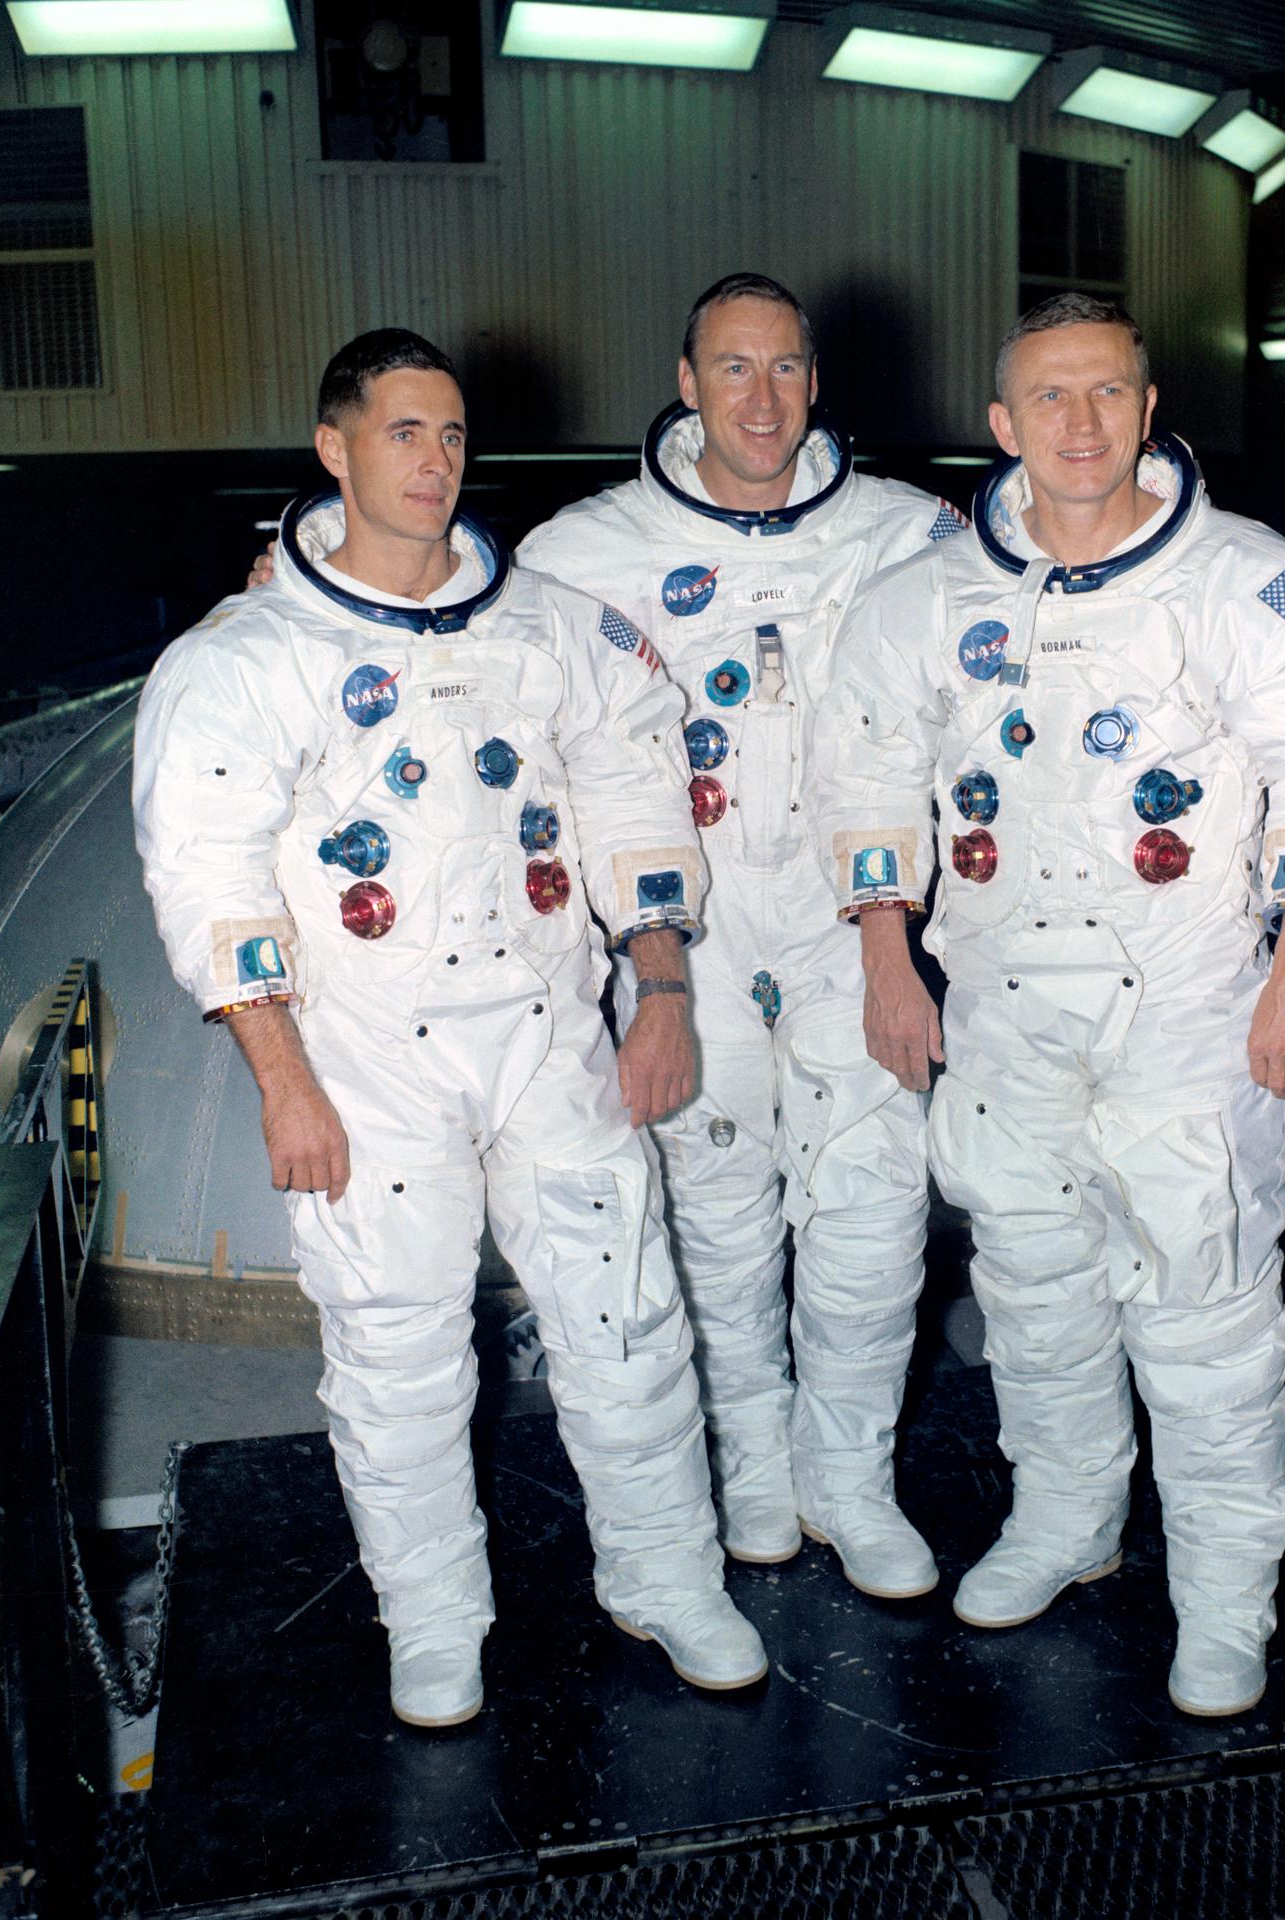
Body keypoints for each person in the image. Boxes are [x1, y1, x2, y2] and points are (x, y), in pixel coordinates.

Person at [133, 328, 765, 1730]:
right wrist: (283, 1083)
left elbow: (634, 797)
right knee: (400, 1350)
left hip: (549, 1033)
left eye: (453, 435)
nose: (434, 462)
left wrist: (659, 987)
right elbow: (210, 878)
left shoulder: (547, 629)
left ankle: (667, 1578)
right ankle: (435, 1623)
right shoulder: (250, 660)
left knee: (628, 1321)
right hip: (369, 1056)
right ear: (335, 449)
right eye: (403, 432)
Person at [811, 294, 1285, 1716]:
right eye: (1048, 401)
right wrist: (889, 960)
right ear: (1004, 426)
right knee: (1032, 1291)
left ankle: (1223, 1600)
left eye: (1107, 395)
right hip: (1004, 1002)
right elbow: (868, 777)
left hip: (1191, 1004)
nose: (1080, 425)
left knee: (1202, 1313)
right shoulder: (926, 598)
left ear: (1148, 408)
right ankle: (1066, 1523)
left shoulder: (1252, 585)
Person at [514, 275, 969, 1598]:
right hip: (689, 931)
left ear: (816, 383)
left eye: (784, 369)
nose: (759, 398)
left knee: (874, 1213)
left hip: (854, 924)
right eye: (732, 368)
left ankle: (852, 1479)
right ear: (686, 378)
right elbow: (457, 638)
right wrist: (276, 573)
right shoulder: (586, 551)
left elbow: (1043, 616)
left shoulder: (904, 535)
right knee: (715, 1214)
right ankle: (756, 1465)